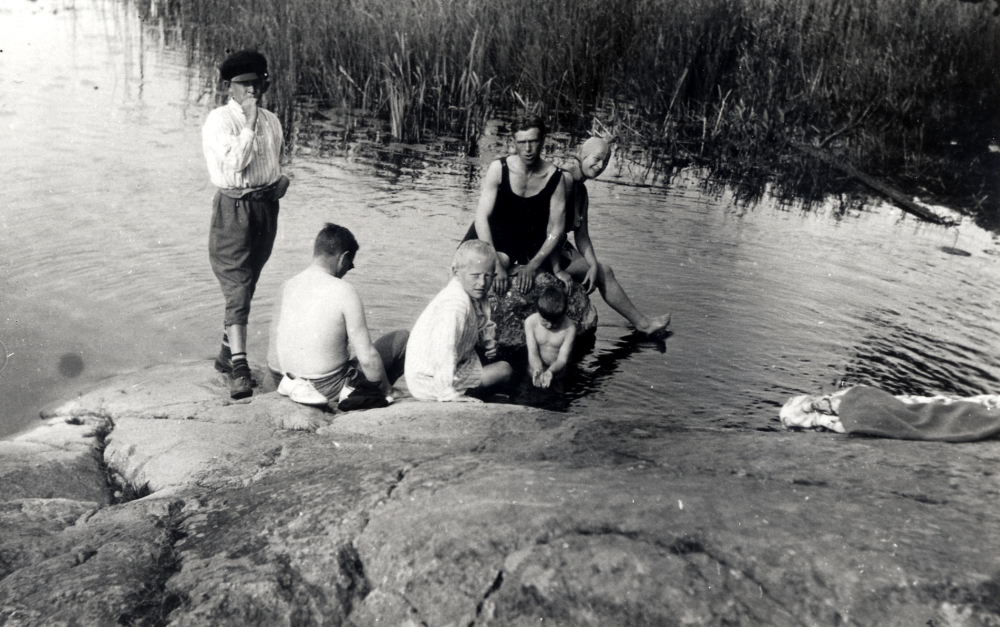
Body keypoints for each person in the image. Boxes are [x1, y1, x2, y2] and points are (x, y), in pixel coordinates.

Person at [203, 49, 291, 399]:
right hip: (234, 209)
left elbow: (274, 161)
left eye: (257, 83)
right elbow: (237, 164)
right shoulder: (220, 121)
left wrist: (282, 181)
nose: (252, 91)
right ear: (231, 87)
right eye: (244, 85)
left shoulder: (272, 120)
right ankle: (239, 366)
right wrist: (250, 123)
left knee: (249, 283)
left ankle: (227, 354)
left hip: (265, 208)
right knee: (237, 287)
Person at [266, 223, 406, 410]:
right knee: (402, 339)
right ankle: (376, 396)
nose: (347, 270)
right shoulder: (344, 290)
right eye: (350, 265)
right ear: (343, 258)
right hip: (325, 387)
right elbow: (367, 357)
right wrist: (387, 390)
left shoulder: (287, 285)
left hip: (277, 380)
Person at [555, 137, 671, 337]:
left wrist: (592, 265)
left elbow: (582, 236)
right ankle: (643, 325)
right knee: (605, 273)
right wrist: (558, 268)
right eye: (597, 159)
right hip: (541, 247)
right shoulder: (563, 180)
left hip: (558, 245)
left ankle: (643, 324)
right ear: (582, 155)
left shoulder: (581, 189)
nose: (600, 166)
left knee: (599, 269)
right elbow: (545, 228)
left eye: (605, 162)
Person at [463, 114, 567, 294]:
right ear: (513, 141)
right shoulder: (499, 168)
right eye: (521, 142)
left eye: (533, 141)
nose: (528, 149)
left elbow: (556, 230)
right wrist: (495, 264)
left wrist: (533, 265)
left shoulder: (556, 177)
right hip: (487, 234)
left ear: (543, 140)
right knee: (464, 273)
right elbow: (481, 218)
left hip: (516, 241)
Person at [405, 240, 513, 402]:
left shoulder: (473, 291)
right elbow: (445, 350)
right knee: (505, 370)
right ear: (456, 272)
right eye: (475, 276)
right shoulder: (455, 305)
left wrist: (488, 341)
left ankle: (475, 392)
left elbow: (484, 319)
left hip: (449, 364)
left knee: (494, 361)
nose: (482, 283)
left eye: (488, 276)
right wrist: (447, 392)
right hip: (429, 379)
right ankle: (462, 394)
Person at [524, 285, 577, 388]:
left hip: (558, 371)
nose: (550, 325)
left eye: (555, 322)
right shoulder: (530, 322)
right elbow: (532, 353)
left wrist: (550, 372)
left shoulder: (569, 328)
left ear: (563, 314)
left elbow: (562, 359)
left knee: (559, 397)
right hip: (535, 369)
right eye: (545, 321)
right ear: (538, 311)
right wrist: (538, 369)